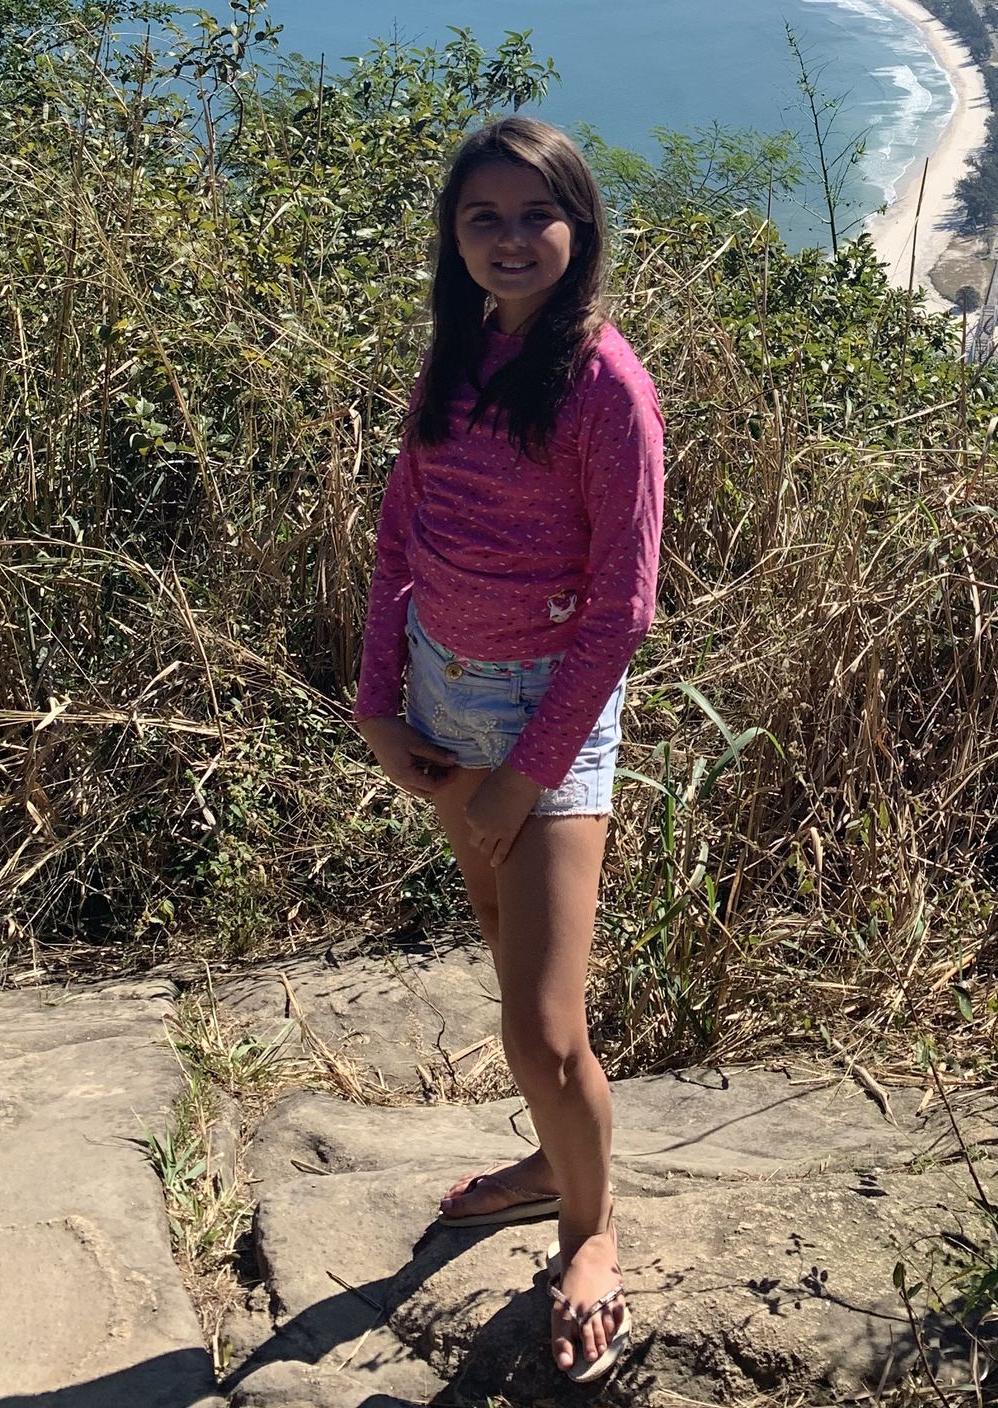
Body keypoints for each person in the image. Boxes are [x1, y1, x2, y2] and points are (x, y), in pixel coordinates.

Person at [354, 115, 662, 1383]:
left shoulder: (605, 385)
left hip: (551, 718)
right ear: (454, 237)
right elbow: (396, 542)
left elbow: (623, 607)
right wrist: (382, 702)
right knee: (510, 969)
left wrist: (531, 768)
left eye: (535, 215)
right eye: (482, 217)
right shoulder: (459, 356)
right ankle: (553, 1160)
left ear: (579, 229)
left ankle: (590, 1233)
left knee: (542, 1024)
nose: (509, 238)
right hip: (444, 699)